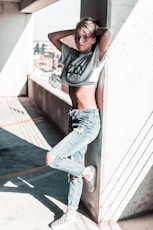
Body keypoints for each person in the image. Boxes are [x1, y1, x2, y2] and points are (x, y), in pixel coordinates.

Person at [46, 17, 111, 229]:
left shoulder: (95, 59)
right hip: (74, 117)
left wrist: (94, 31)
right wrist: (77, 29)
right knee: (71, 169)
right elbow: (52, 37)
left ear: (93, 39)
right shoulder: (72, 55)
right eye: (77, 37)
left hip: (88, 121)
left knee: (52, 157)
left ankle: (87, 172)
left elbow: (108, 33)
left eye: (85, 37)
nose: (80, 40)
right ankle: (71, 213)